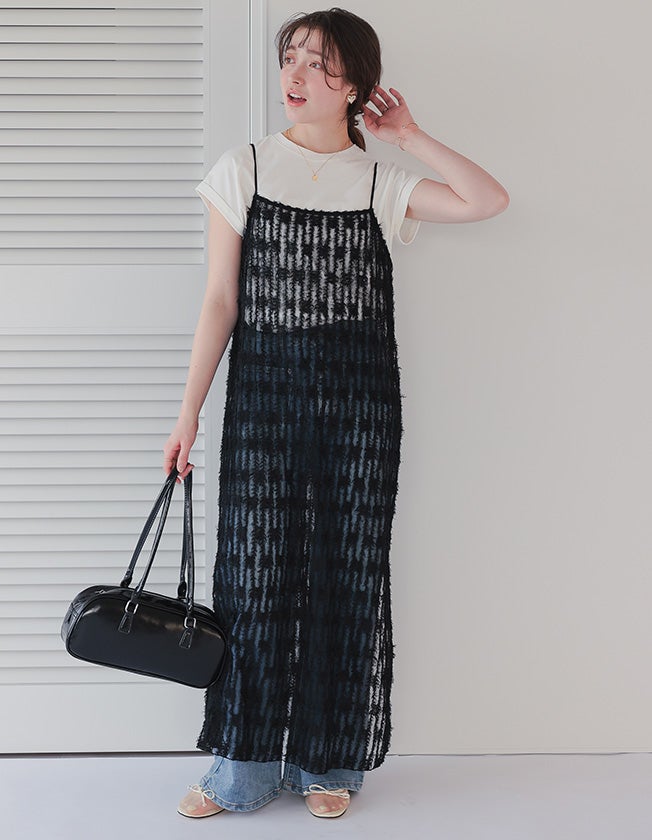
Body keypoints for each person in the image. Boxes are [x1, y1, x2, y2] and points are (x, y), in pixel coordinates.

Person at [163, 7, 509, 820]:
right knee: (253, 578)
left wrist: (409, 135)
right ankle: (244, 767)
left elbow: (487, 199)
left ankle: (330, 761)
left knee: (343, 577)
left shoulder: (380, 181)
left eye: (319, 63)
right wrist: (187, 415)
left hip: (359, 407)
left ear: (354, 84)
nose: (296, 75)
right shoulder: (245, 167)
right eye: (290, 57)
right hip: (263, 403)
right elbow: (220, 302)